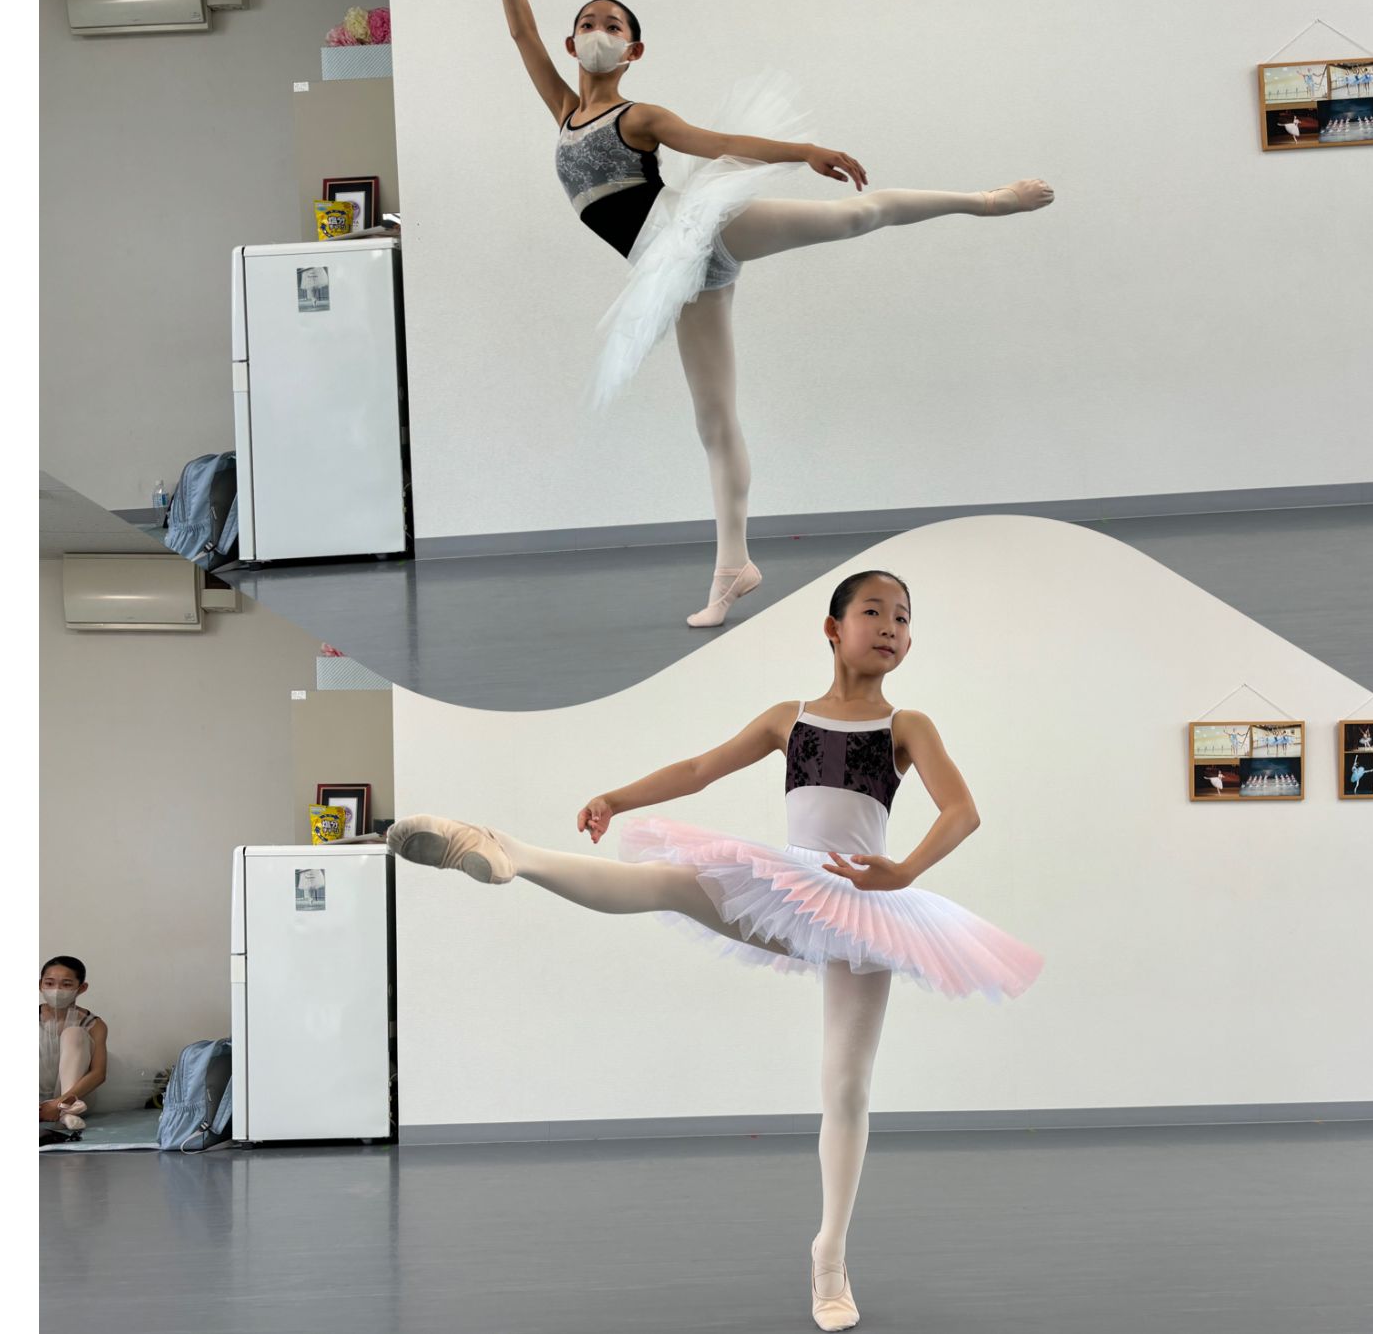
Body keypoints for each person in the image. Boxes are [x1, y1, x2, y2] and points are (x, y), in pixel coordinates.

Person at [387, 569, 1044, 1331]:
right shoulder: (788, 719)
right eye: (875, 611)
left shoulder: (907, 725)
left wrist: (903, 871)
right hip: (787, 886)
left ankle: (829, 1258)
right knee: (666, 883)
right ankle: (508, 853)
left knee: (845, 1084)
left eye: (903, 617)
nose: (892, 627)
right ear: (833, 629)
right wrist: (616, 798)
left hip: (865, 905)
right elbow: (700, 770)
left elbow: (961, 811)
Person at [445, 0, 1056, 628]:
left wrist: (804, 152)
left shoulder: (637, 117)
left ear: (633, 49)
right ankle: (732, 568)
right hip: (673, 273)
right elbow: (520, 32)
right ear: (570, 42)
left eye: (612, 25)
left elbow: (718, 142)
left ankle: (986, 201)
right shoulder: (562, 110)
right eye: (586, 23)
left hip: (693, 229)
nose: (597, 32)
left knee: (853, 216)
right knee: (713, 420)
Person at [39, 956, 108, 1133]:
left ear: (81, 988)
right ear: (40, 985)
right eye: (49, 983)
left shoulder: (94, 1024)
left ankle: (66, 1111)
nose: (56, 990)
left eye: (66, 984)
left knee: (74, 1033)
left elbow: (99, 1074)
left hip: (77, 1098)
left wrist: (58, 1103)